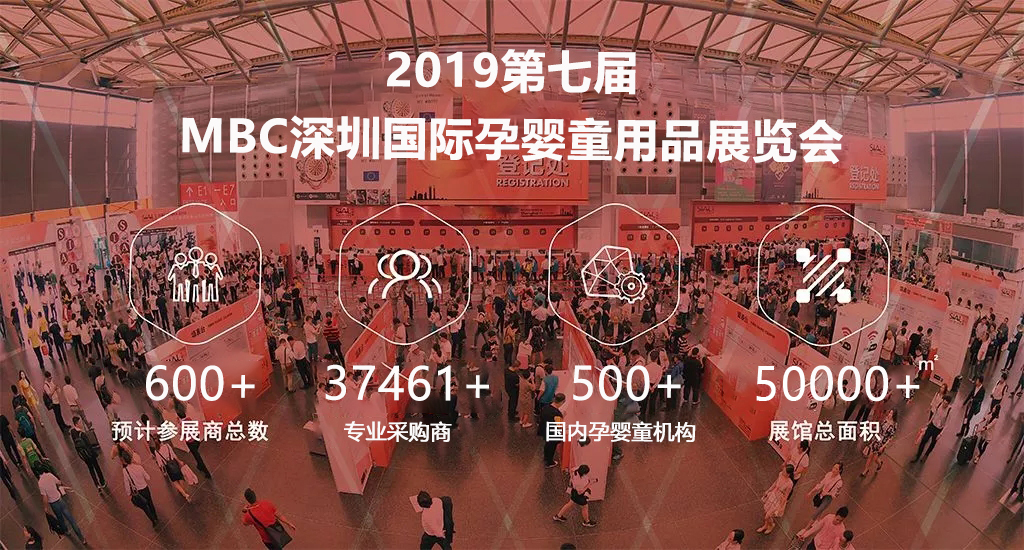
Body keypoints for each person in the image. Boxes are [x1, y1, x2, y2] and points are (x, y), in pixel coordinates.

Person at [37, 468, 87, 544]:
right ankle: (81, 538)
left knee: (60, 518)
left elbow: (45, 497)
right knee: (71, 519)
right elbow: (59, 482)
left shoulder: (40, 483)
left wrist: (45, 508)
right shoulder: (50, 475)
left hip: (53, 504)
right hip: (60, 500)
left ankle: (66, 530)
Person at [911, 394, 953, 462]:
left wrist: (940, 434)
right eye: (944, 402)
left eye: (946, 404)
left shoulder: (949, 411)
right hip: (932, 425)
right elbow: (935, 414)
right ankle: (918, 455)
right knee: (924, 440)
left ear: (948, 404)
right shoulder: (940, 404)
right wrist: (929, 422)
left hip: (938, 429)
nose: (944, 404)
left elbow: (947, 424)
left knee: (933, 443)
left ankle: (926, 455)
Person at [122, 453, 159, 527]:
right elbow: (148, 477)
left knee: (145, 507)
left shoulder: (125, 471)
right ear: (131, 458)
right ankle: (155, 516)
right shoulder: (139, 467)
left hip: (138, 492)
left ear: (125, 461)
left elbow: (126, 483)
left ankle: (153, 520)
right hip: (145, 488)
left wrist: (128, 493)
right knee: (150, 503)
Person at [757, 464, 794, 535]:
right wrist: (768, 490)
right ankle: (766, 525)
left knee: (767, 516)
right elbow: (775, 483)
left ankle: (771, 525)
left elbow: (786, 496)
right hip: (773, 495)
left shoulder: (790, 484)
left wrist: (781, 506)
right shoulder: (780, 474)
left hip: (779, 499)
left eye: (784, 471)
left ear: (788, 474)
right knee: (767, 511)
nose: (783, 471)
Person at [70, 416, 105, 489]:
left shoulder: (72, 432)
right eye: (80, 422)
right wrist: (95, 454)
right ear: (76, 424)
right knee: (97, 467)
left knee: (91, 469)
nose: (81, 424)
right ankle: (102, 482)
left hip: (83, 455)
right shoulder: (82, 434)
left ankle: (96, 484)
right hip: (90, 454)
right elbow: (89, 445)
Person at [862, 410, 897, 476]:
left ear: (894, 415)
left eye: (891, 413)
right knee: (870, 455)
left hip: (883, 442)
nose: (889, 414)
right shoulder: (885, 419)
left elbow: (891, 437)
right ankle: (866, 470)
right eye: (889, 413)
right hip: (877, 439)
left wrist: (883, 446)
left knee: (875, 458)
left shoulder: (894, 425)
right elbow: (880, 428)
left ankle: (879, 463)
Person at [541, 394, 566, 468]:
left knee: (547, 444)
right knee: (552, 447)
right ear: (562, 402)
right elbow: (559, 426)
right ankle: (549, 462)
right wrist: (563, 417)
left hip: (545, 429)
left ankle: (545, 457)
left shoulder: (546, 407)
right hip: (553, 432)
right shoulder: (557, 413)